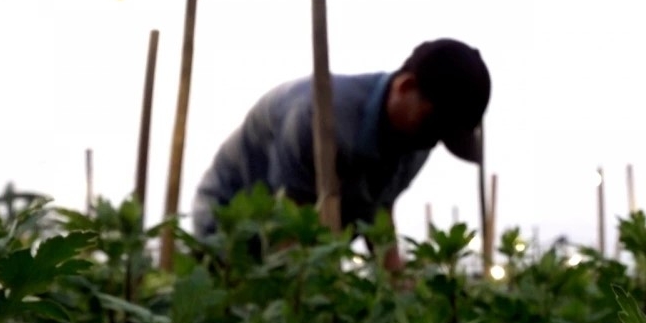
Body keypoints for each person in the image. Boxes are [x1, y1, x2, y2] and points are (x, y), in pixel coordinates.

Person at [192, 38, 491, 273]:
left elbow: (380, 216)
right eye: (434, 125)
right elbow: (292, 229)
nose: (433, 141)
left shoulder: (417, 141)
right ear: (405, 87)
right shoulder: (317, 117)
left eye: (443, 135)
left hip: (306, 236)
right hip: (230, 224)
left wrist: (400, 290)